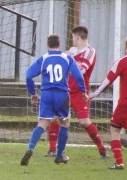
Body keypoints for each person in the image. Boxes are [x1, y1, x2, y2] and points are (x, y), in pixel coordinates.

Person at [20, 34, 88, 166]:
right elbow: (78, 76)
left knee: (42, 123)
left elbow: (28, 76)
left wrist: (33, 93)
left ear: (47, 45)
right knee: (64, 123)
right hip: (62, 94)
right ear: (59, 45)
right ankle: (59, 155)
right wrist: (83, 91)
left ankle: (30, 148)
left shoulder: (43, 59)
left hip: (46, 95)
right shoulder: (67, 58)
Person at [46, 26, 107, 158]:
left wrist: (70, 58)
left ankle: (102, 149)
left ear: (78, 37)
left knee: (84, 122)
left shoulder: (90, 52)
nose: (72, 39)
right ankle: (52, 149)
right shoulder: (72, 50)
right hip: (65, 90)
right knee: (55, 118)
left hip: (80, 92)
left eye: (73, 37)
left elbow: (82, 70)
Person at [88, 40, 127, 170]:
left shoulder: (123, 61)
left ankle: (119, 162)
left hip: (125, 104)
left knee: (115, 129)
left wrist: (96, 93)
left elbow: (108, 80)